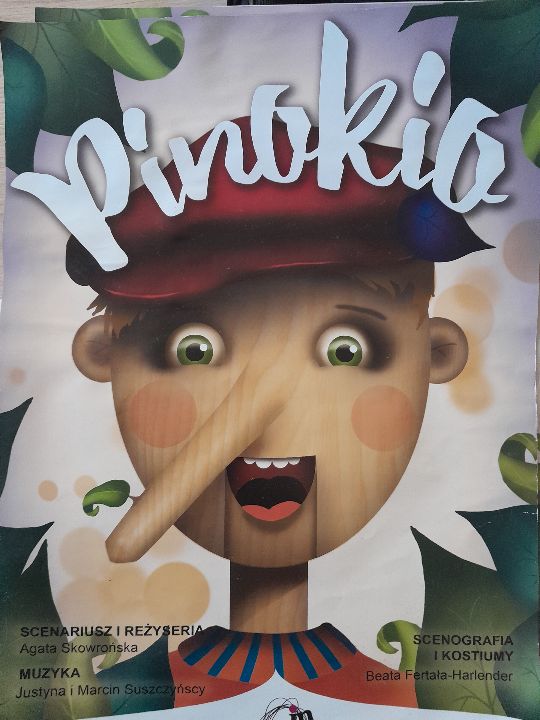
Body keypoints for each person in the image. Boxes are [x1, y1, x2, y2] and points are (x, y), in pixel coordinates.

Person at [68, 118, 480, 708]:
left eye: (347, 351)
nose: (265, 423)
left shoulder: (407, 706)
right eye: (193, 350)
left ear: (436, 355)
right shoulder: (115, 704)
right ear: (101, 356)